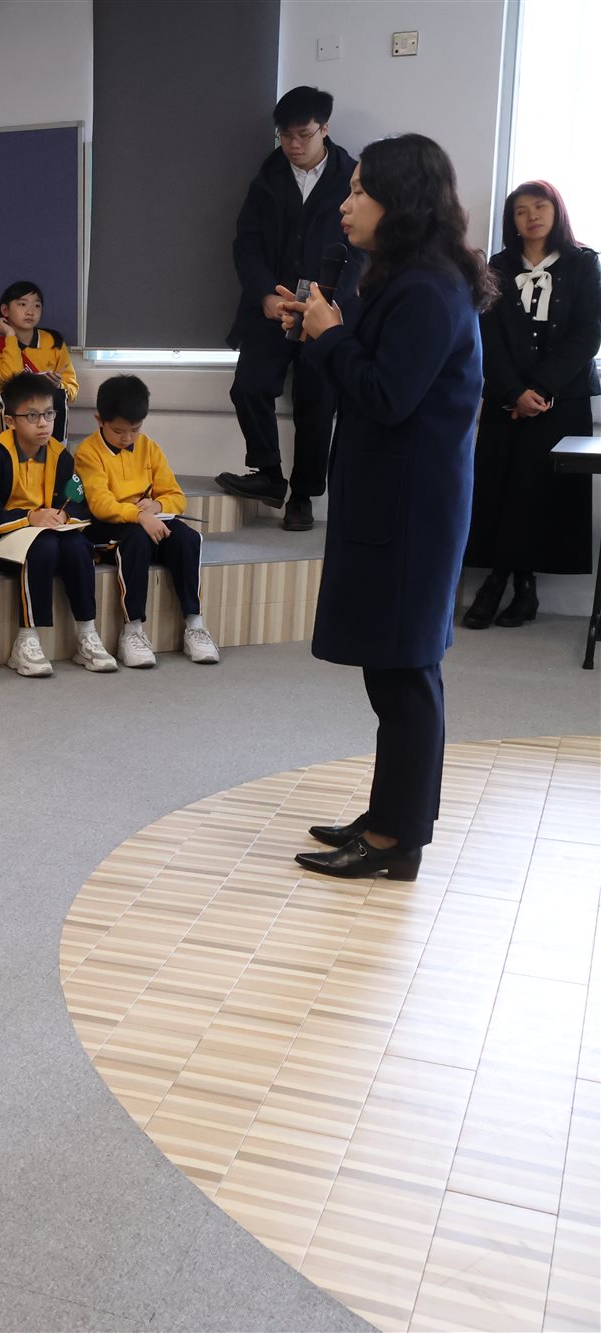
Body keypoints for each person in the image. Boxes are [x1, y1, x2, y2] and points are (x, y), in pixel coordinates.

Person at [282, 134, 494, 882]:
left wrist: (332, 335)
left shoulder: (427, 288)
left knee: (403, 676)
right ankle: (392, 819)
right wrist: (325, 329)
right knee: (396, 671)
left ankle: (393, 840)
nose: (346, 203)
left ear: (400, 200)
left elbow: (385, 394)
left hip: (409, 511)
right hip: (399, 500)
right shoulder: (408, 279)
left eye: (359, 190)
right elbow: (375, 371)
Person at [218, 86, 365, 534]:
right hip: (274, 303)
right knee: (248, 386)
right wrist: (265, 294)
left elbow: (362, 250)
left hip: (328, 308)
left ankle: (303, 495)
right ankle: (268, 474)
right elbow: (246, 244)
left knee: (317, 401)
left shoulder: (353, 176)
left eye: (304, 134)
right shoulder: (268, 176)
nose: (294, 144)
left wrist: (326, 302)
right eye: (285, 135)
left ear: (325, 129)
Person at [463, 180, 600, 628]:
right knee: (501, 488)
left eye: (540, 207)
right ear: (512, 221)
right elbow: (486, 335)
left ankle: (500, 584)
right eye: (521, 211)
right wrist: (513, 393)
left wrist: (539, 389)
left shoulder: (584, 263)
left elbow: (588, 335)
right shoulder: (497, 267)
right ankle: (519, 587)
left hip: (562, 401)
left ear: (556, 211)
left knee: (539, 492)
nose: (532, 216)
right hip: (506, 399)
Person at [0, 372, 116, 679]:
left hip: (50, 534)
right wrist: (29, 517)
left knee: (77, 545)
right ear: (10, 421)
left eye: (49, 414)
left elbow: (76, 498)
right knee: (43, 544)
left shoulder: (60, 455)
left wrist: (64, 516)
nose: (43, 424)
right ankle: (27, 638)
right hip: (2, 540)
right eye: (32, 416)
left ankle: (87, 633)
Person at [73, 375, 221, 668]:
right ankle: (133, 630)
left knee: (187, 538)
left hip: (147, 519)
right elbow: (101, 505)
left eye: (135, 430)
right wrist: (140, 515)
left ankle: (195, 624)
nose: (127, 438)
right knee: (137, 539)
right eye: (118, 431)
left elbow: (175, 496)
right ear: (99, 420)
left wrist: (157, 505)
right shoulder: (87, 452)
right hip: (109, 526)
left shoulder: (149, 447)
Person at [0, 281, 78, 440]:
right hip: (12, 409)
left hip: (45, 411)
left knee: (56, 396)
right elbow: (11, 378)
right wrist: (10, 336)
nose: (30, 311)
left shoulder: (54, 342)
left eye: (37, 306)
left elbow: (72, 388)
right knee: (14, 398)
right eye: (22, 304)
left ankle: (56, 451)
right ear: (5, 310)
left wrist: (57, 385)